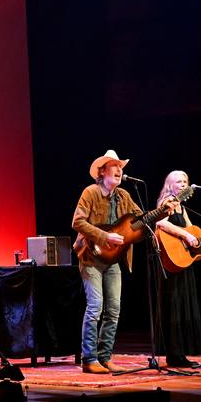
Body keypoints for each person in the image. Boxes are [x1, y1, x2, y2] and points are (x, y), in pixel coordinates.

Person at [71, 150, 147, 374]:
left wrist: (163, 212)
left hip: (114, 259)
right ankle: (89, 358)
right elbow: (77, 221)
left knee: (113, 309)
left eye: (120, 166)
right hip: (90, 258)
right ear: (102, 171)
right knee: (95, 307)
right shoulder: (91, 192)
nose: (119, 169)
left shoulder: (123, 195)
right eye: (113, 166)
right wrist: (105, 236)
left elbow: (142, 219)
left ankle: (105, 357)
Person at [154, 170, 201, 368]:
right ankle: (173, 354)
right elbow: (159, 223)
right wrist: (184, 235)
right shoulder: (166, 203)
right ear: (170, 185)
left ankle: (180, 353)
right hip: (170, 264)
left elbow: (193, 234)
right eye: (178, 182)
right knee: (173, 308)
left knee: (183, 308)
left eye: (185, 181)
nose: (183, 184)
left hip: (183, 262)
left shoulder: (182, 208)